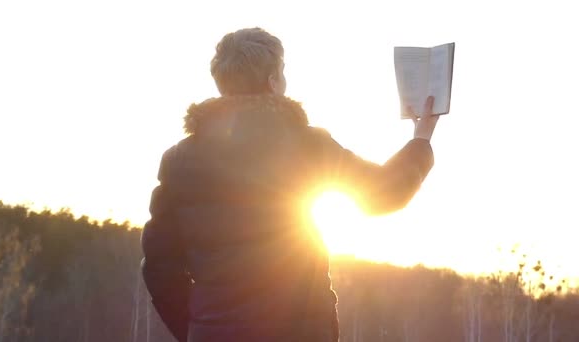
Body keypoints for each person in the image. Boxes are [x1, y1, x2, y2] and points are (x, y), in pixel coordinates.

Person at [141, 27, 439, 342]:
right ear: (273, 82)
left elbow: (160, 269)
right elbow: (384, 193)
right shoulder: (309, 145)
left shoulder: (179, 160)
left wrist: (197, 329)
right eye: (282, 72)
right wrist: (421, 140)